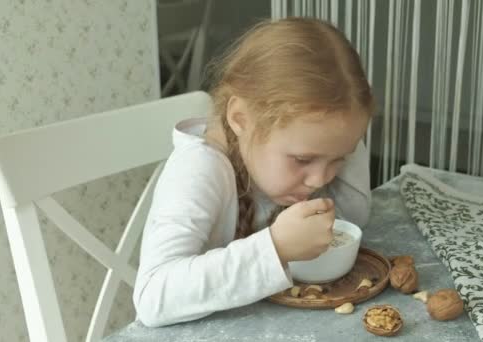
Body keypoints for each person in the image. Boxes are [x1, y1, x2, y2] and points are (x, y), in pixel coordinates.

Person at [133, 17, 374, 327]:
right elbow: (153, 297)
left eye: (339, 159)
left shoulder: (295, 150)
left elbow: (353, 222)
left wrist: (342, 142)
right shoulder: (199, 170)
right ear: (240, 119)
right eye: (302, 159)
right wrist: (276, 248)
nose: (319, 180)